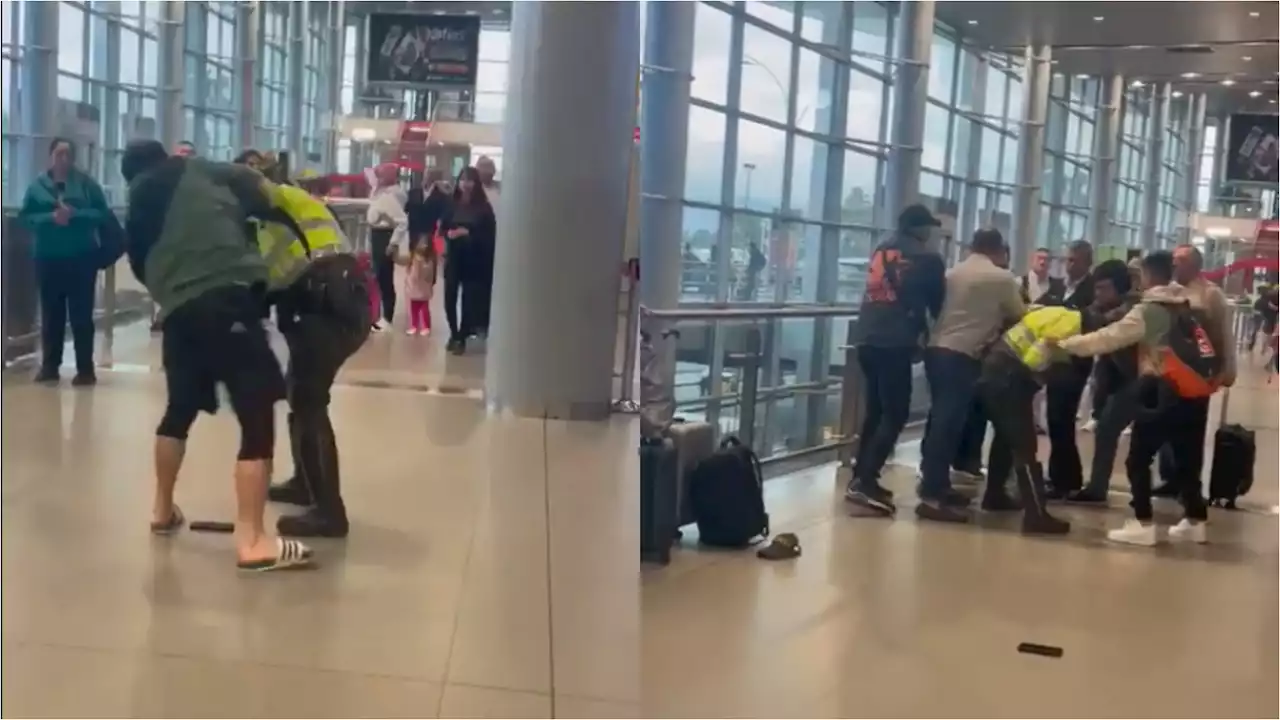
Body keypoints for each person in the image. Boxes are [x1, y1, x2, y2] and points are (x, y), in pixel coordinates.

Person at [119, 139, 312, 570]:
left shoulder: (135, 211)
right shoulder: (195, 169)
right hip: (225, 298)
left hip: (177, 313)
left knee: (180, 408)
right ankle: (253, 541)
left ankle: (162, 509)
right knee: (257, 409)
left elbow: (139, 267)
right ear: (166, 156)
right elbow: (255, 184)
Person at [1048, 251, 1214, 546]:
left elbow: (1109, 337)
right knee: (1186, 460)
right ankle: (1195, 519)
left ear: (1148, 276)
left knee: (1138, 458)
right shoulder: (1191, 307)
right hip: (1195, 390)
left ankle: (1142, 522)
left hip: (1161, 389)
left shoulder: (1149, 310)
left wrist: (1064, 345)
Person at [254, 182, 373, 538]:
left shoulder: (263, 210)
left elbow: (262, 278)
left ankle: (329, 512)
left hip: (323, 303)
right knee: (301, 394)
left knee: (309, 403)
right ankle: (304, 484)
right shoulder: (289, 198)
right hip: (339, 296)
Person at [917, 228, 1025, 523]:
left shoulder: (952, 273)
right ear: (999, 249)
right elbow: (1019, 314)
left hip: (937, 351)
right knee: (948, 424)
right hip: (962, 355)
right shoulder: (1002, 278)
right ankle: (931, 496)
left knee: (939, 420)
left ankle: (936, 483)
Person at [845, 204, 946, 515]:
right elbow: (937, 303)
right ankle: (865, 480)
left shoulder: (882, 248)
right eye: (927, 227)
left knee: (876, 411)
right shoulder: (926, 257)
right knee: (896, 411)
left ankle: (859, 477)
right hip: (894, 342)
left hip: (865, 338)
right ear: (918, 229)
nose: (930, 233)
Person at [975, 304, 1084, 535]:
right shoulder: (1071, 328)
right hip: (1009, 376)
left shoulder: (1059, 314)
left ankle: (994, 495)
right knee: (1025, 444)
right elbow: (1035, 359)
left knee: (1005, 437)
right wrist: (1038, 376)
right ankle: (1036, 515)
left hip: (995, 368)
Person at [19, 138, 113, 386]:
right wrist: (50, 217)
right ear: (50, 156)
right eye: (59, 154)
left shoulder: (86, 185)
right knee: (51, 313)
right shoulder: (37, 186)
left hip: (81, 258)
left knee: (81, 314)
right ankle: (50, 366)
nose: (63, 159)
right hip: (48, 257)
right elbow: (26, 217)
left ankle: (85, 369)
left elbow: (101, 213)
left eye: (67, 154)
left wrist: (76, 214)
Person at [1150, 244, 1237, 497]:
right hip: (1169, 369)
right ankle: (1170, 477)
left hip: (1198, 372)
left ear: (1195, 265)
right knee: (1167, 426)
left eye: (1181, 260)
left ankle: (1188, 482)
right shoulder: (1169, 290)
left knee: (1191, 432)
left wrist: (1225, 370)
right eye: (1174, 259)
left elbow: (1222, 336)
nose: (1174, 264)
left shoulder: (1211, 295)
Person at [1063, 260, 1140, 504]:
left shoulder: (1132, 309)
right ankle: (1098, 487)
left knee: (1111, 429)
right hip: (1122, 379)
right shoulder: (1106, 308)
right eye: (1097, 289)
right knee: (1108, 428)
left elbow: (1104, 325)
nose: (1098, 294)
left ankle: (1098, 489)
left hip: (1142, 380)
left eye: (1104, 288)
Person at [1044, 240, 1094, 497]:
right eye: (1066, 260)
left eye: (1073, 260)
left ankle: (1065, 479)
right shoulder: (1059, 287)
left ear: (1087, 262)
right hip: (1054, 359)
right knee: (1054, 419)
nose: (1068, 265)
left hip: (1074, 362)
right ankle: (1060, 475)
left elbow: (1087, 321)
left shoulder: (1091, 291)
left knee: (1062, 418)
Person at [440, 166, 497, 355]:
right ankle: (454, 332)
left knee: (468, 299)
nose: (466, 184)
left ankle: (462, 336)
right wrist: (448, 234)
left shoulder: (483, 208)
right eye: (463, 180)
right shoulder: (451, 204)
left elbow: (489, 235)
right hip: (454, 255)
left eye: (470, 180)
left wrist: (468, 232)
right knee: (449, 295)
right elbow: (442, 228)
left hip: (474, 258)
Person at [366, 163, 409, 331]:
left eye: (382, 175)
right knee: (377, 276)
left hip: (385, 235)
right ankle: (379, 314)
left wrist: (393, 243)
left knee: (385, 278)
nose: (378, 178)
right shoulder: (379, 192)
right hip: (376, 235)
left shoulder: (394, 194)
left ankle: (387, 316)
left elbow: (401, 221)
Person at [473, 156, 501, 337]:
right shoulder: (474, 192)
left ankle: (492, 319)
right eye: (484, 169)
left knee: (494, 283)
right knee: (478, 285)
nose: (488, 173)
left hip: (499, 239)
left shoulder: (500, 189)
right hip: (478, 240)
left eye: (490, 169)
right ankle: (477, 322)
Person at [405, 169, 451, 254]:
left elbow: (446, 212)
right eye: (426, 175)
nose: (427, 178)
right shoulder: (413, 193)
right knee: (414, 257)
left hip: (431, 232)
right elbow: (405, 209)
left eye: (430, 176)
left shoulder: (442, 196)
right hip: (414, 232)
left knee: (430, 259)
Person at [400, 239, 438, 336]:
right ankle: (415, 326)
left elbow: (421, 275)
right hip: (415, 288)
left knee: (422, 308)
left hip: (422, 288)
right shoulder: (416, 259)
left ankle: (424, 326)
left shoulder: (428, 262)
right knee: (415, 308)